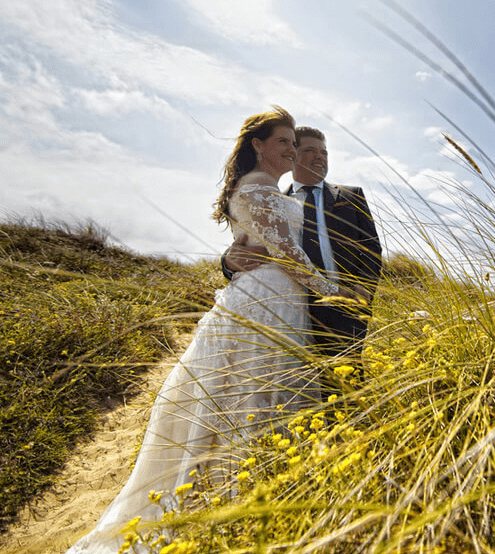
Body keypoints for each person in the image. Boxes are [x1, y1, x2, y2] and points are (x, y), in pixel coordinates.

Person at [67, 107, 357, 553]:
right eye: (284, 141)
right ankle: (229, 502)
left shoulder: (279, 191)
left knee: (258, 396)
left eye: (295, 144)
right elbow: (286, 254)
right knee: (246, 395)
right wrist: (332, 292)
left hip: (286, 304)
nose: (293, 150)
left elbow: (269, 242)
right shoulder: (259, 188)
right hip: (266, 305)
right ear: (258, 145)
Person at [223, 125, 382, 360]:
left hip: (347, 307)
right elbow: (249, 244)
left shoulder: (351, 196)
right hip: (295, 309)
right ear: (293, 154)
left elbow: (371, 248)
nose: (319, 156)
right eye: (310, 150)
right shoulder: (273, 199)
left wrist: (364, 289)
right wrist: (227, 263)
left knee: (348, 384)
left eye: (324, 152)